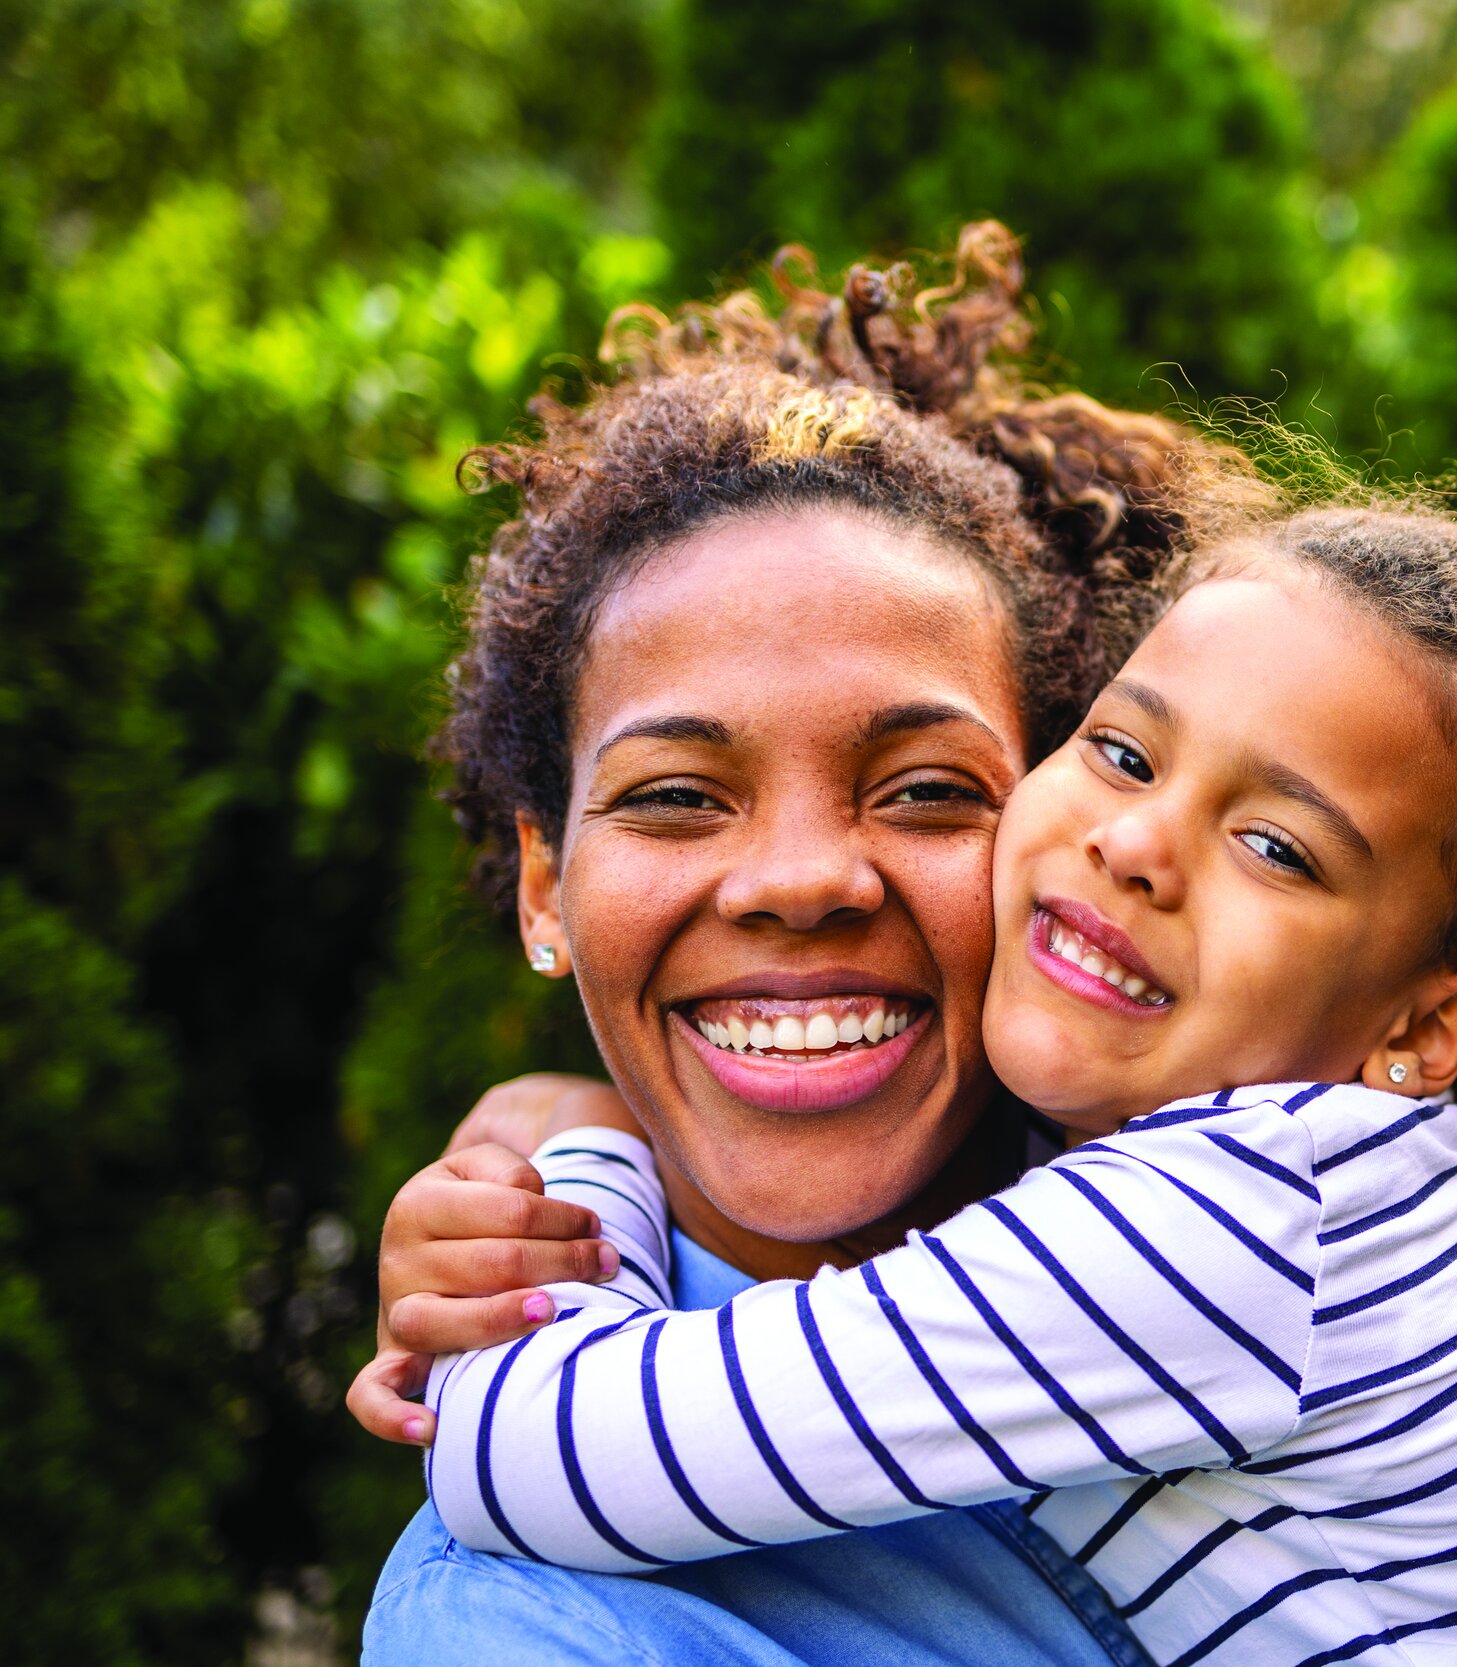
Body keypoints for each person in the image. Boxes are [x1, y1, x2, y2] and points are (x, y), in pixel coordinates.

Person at [405, 503, 1457, 1666]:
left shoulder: (1222, 1231)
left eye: (1278, 849)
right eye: (1121, 752)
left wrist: (575, 1180)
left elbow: (529, 1458)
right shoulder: (1311, 1197)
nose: (1137, 844)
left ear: (1424, 1031)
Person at [348, 223, 1269, 1667]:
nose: (800, 880)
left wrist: (576, 1127)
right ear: (544, 888)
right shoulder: (535, 1620)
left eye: (924, 791)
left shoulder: (1255, 1239)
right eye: (672, 798)